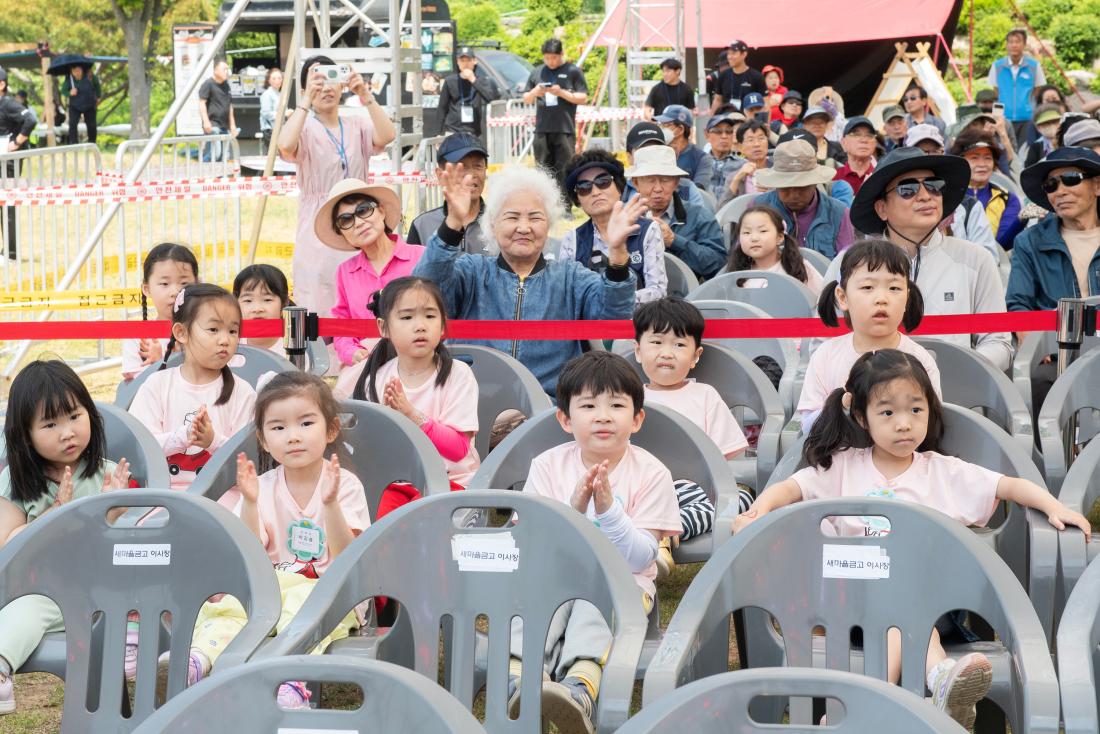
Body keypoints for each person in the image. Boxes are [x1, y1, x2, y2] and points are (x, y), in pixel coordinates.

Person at [734, 348, 1089, 729]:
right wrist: (759, 510)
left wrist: (1052, 505)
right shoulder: (843, 466)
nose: (904, 424)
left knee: (902, 619)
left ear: (930, 411)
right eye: (887, 412)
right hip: (847, 605)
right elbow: (793, 488)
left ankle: (855, 714)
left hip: (928, 603)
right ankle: (935, 681)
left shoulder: (940, 472)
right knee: (898, 621)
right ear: (861, 416)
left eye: (916, 410)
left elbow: (1007, 484)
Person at [169, 372, 369, 708]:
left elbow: (347, 556)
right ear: (263, 440)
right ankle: (195, 662)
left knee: (303, 611)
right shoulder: (261, 485)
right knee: (231, 608)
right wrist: (248, 502)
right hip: (271, 589)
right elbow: (250, 554)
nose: (293, 437)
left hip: (331, 593)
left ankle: (290, 680)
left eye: (305, 423)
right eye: (278, 428)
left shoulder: (344, 485)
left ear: (330, 429)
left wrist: (331, 504)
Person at [507, 350, 680, 733]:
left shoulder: (652, 473)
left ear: (636, 419)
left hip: (621, 584)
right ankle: (519, 682)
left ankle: (578, 690)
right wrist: (573, 508)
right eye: (588, 405)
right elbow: (533, 543)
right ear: (566, 419)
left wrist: (608, 511)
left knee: (593, 612)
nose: (603, 415)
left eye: (616, 405)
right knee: (531, 610)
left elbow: (640, 558)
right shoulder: (547, 466)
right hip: (552, 578)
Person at [414, 164, 637, 395]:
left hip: (550, 409)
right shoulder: (472, 271)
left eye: (535, 217)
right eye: (512, 217)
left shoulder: (570, 277)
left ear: (548, 225)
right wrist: (451, 226)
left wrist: (618, 253)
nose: (524, 227)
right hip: (473, 403)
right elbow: (423, 293)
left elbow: (614, 317)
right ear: (492, 225)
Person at [0, 361, 135, 716]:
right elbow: (8, 543)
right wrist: (55, 514)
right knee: (29, 609)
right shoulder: (17, 485)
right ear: (24, 434)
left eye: (75, 416)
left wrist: (115, 509)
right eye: (50, 424)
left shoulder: (105, 475)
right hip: (39, 589)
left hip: (99, 588)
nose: (67, 432)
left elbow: (128, 542)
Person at [843, 147, 1014, 371]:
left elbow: (998, 341)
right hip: (870, 394)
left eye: (934, 186)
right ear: (882, 208)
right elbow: (822, 340)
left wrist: (960, 372)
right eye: (908, 189)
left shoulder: (976, 260)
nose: (925, 196)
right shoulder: (850, 264)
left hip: (955, 394)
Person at [335, 277, 479, 517]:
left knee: (431, 529)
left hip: (451, 483)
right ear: (383, 328)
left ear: (443, 325)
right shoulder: (377, 377)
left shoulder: (458, 375)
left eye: (430, 316)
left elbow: (457, 450)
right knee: (380, 531)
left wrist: (411, 415)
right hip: (394, 484)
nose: (420, 326)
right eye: (407, 317)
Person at [633, 297, 753, 576]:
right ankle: (654, 533)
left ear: (696, 355)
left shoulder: (705, 396)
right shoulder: (629, 398)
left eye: (679, 344)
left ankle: (660, 535)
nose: (666, 353)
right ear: (638, 350)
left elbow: (725, 459)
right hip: (641, 489)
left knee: (743, 502)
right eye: (656, 342)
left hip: (694, 490)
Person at [278, 55, 397, 317]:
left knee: (363, 294)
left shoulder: (356, 124)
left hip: (360, 219)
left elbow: (387, 135)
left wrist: (365, 94)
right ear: (304, 89)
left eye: (331, 79)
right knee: (321, 302)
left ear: (342, 84)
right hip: (319, 223)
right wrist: (305, 102)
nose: (325, 88)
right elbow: (285, 146)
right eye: (316, 81)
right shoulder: (304, 127)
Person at [798, 239, 939, 433]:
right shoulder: (825, 356)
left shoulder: (920, 359)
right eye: (867, 288)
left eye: (894, 288)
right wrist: (842, 407)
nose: (882, 299)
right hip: (840, 459)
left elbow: (932, 421)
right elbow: (807, 426)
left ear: (907, 297)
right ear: (842, 297)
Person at [128, 284, 257, 490]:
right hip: (161, 499)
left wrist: (212, 441)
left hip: (223, 499)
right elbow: (140, 448)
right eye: (213, 329)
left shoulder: (242, 393)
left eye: (233, 331)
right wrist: (183, 437)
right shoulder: (157, 385)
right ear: (181, 332)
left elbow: (248, 462)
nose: (225, 340)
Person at [1007, 147, 1100, 409]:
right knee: (1037, 381)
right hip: (1059, 354)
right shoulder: (1029, 242)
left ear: (1097, 186)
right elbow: (1018, 304)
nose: (1060, 191)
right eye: (1051, 184)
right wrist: (1036, 346)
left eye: (1071, 178)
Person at [317, 180, 423, 366]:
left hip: (420, 359)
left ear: (381, 211)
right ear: (341, 232)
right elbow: (342, 328)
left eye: (364, 210)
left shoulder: (421, 257)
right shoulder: (345, 272)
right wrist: (353, 352)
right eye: (346, 220)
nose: (358, 223)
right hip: (367, 364)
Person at [558, 150, 667, 304]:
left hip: (636, 323)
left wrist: (611, 302)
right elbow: (566, 295)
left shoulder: (648, 229)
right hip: (590, 324)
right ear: (578, 199)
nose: (595, 192)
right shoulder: (572, 239)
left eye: (603, 182)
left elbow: (657, 292)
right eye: (584, 187)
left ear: (619, 187)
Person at [627, 145, 726, 280]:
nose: (658, 188)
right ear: (636, 183)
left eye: (665, 180)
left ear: (676, 182)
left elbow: (718, 264)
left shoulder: (699, 216)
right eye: (650, 180)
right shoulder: (626, 220)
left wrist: (674, 241)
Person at [753, 139, 855, 259]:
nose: (794, 194)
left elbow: (847, 263)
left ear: (815, 183)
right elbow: (742, 259)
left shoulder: (838, 213)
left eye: (802, 187)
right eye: (786, 187)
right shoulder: (758, 208)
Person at [124, 243, 200, 380]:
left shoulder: (206, 330)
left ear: (197, 284)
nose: (175, 292)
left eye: (184, 284)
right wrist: (160, 363)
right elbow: (133, 387)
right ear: (147, 289)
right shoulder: (138, 337)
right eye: (165, 284)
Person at [407, 134, 490, 253]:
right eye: (462, 167)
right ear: (440, 175)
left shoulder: (501, 222)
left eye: (478, 166)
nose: (471, 174)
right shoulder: (422, 226)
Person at [523, 39, 589, 185]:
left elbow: (583, 97)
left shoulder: (573, 71)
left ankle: (565, 204)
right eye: (547, 58)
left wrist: (561, 93)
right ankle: (544, 203)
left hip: (564, 129)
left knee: (565, 168)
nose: (550, 62)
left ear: (561, 54)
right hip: (542, 129)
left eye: (554, 58)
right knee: (542, 169)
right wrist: (535, 92)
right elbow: (526, 98)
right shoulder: (537, 71)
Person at [951, 130, 1023, 250]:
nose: (982, 164)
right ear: (960, 161)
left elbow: (1001, 247)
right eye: (974, 158)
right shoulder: (947, 197)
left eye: (987, 158)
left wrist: (1020, 221)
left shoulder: (1007, 199)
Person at [729, 205, 825, 295]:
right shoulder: (735, 272)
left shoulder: (798, 267)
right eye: (746, 232)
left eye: (763, 231)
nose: (754, 238)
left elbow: (823, 299)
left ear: (780, 237)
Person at [622, 122, 712, 212]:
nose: (651, 154)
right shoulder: (620, 190)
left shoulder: (687, 188)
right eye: (643, 150)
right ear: (629, 157)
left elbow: (699, 219)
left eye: (657, 148)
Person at [0, 68, 35, 259]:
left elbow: (30, 118)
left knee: (7, 205)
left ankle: (11, 253)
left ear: (2, 84)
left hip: (10, 162)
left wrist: (16, 142)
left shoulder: (8, 104)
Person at [989, 29, 1046, 144]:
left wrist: (1028, 106)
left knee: (1025, 151)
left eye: (1017, 42)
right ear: (1006, 45)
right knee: (1005, 151)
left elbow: (1038, 90)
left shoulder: (1034, 66)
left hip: (1027, 118)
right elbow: (995, 91)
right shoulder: (997, 66)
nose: (1014, 45)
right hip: (1004, 118)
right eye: (1010, 42)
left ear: (1024, 44)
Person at [436, 46, 501, 137]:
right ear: (458, 62)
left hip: (473, 132)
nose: (465, 64)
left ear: (474, 61)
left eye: (468, 60)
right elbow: (442, 108)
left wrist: (473, 80)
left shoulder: (481, 81)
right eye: (462, 61)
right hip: (452, 130)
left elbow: (490, 98)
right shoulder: (450, 81)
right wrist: (438, 133)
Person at [233, 264, 291, 356]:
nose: (257, 309)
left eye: (267, 300)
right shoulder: (229, 344)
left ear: (284, 303)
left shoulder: (296, 348)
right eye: (248, 300)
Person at [655, 105, 714, 190]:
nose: (661, 129)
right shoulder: (657, 153)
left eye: (665, 125)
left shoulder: (701, 158)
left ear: (680, 129)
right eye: (660, 124)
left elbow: (699, 191)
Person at [709, 40, 766, 115]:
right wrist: (711, 121)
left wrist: (764, 124)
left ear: (744, 54)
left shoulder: (756, 77)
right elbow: (718, 100)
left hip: (747, 122)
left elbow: (765, 103)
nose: (730, 57)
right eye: (728, 53)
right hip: (727, 121)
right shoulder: (723, 76)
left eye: (734, 53)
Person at [722, 119, 770, 203]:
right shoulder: (734, 176)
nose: (757, 144)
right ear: (741, 147)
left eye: (761, 138)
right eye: (750, 140)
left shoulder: (779, 170)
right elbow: (722, 211)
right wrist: (736, 179)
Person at [198, 59, 236, 162]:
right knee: (215, 153)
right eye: (224, 69)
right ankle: (202, 168)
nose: (226, 72)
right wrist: (206, 122)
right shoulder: (208, 84)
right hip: (213, 125)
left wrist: (232, 125)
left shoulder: (226, 85)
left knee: (224, 156)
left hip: (224, 125)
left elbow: (229, 105)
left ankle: (218, 176)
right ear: (216, 71)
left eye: (227, 69)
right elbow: (202, 103)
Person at [702, 113, 746, 198]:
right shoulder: (699, 163)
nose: (724, 136)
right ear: (707, 135)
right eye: (718, 131)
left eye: (729, 132)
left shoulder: (743, 165)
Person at [833, 116, 877, 196]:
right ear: (843, 143)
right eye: (856, 135)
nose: (864, 140)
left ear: (875, 143)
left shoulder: (881, 177)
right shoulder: (833, 178)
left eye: (869, 135)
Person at [60, 64, 100, 145]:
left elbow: (97, 86)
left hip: (89, 104)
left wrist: (98, 97)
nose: (77, 73)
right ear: (71, 72)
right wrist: (70, 92)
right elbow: (63, 91)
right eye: (74, 71)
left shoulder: (90, 76)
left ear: (82, 70)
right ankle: (73, 143)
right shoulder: (69, 79)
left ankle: (92, 143)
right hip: (75, 106)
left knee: (92, 125)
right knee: (72, 124)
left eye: (78, 70)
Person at [1023, 104, 1062, 169]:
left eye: (1055, 121)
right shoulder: (1036, 147)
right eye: (1046, 123)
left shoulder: (1069, 141)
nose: (1051, 125)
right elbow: (1029, 170)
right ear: (1038, 127)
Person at [259, 67, 283, 152]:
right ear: (268, 80)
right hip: (270, 130)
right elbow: (266, 113)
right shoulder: (267, 94)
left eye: (279, 78)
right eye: (274, 78)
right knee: (273, 156)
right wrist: (284, 113)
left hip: (280, 129)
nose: (277, 80)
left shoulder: (280, 94)